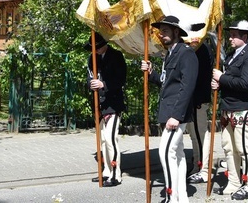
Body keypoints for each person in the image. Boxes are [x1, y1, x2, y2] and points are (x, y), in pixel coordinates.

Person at [141, 15, 199, 203]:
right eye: (160, 31)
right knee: (178, 154)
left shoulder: (186, 53)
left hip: (176, 114)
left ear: (176, 32)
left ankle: (170, 196)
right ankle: (181, 197)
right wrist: (152, 73)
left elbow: (187, 86)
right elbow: (167, 83)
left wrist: (176, 115)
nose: (161, 34)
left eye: (165, 30)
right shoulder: (170, 54)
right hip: (169, 111)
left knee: (165, 152)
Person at [212, 20, 248, 200]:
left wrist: (222, 78)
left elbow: (245, 84)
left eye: (234, 35)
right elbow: (229, 81)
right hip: (229, 108)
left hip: (244, 110)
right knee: (228, 147)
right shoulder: (233, 55)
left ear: (244, 36)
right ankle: (233, 181)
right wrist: (218, 83)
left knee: (244, 149)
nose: (230, 38)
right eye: (230, 34)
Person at [85, 33, 127, 187]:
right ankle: (107, 171)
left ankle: (116, 174)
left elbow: (120, 79)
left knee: (110, 139)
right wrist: (91, 84)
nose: (95, 50)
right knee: (102, 140)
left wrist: (103, 84)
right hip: (99, 105)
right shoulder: (92, 59)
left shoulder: (116, 56)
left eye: (97, 47)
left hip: (113, 104)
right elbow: (89, 77)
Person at [187, 38, 213, 184]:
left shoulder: (202, 49)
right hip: (192, 99)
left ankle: (204, 168)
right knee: (194, 135)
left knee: (201, 134)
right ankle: (197, 164)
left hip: (198, 98)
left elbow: (201, 76)